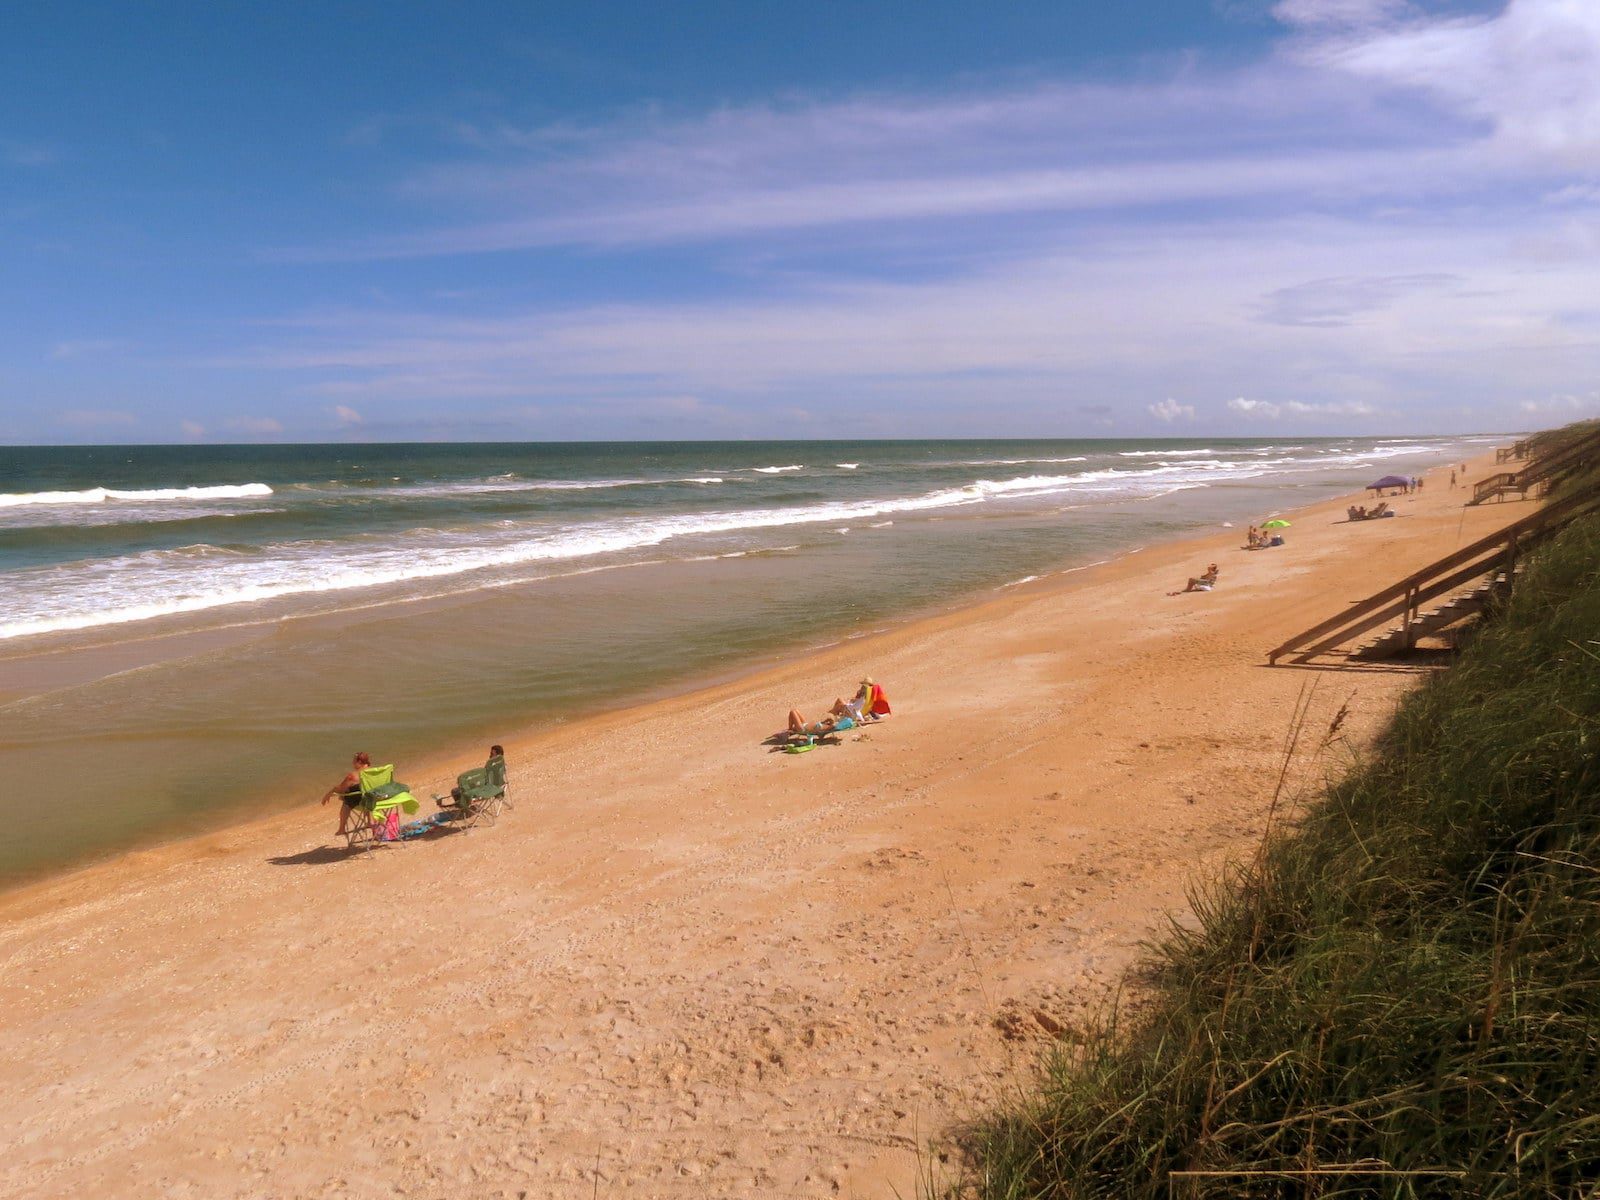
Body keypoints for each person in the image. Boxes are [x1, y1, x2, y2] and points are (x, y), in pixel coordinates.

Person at [321, 751, 371, 837]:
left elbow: (340, 789)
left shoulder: (353, 775)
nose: (352, 763)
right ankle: (369, 822)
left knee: (346, 800)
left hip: (363, 802)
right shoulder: (374, 772)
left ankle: (341, 829)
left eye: (354, 761)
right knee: (366, 793)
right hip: (374, 799)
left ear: (359, 762)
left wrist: (329, 793)